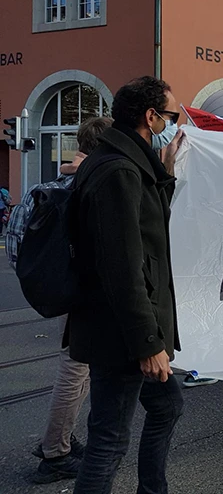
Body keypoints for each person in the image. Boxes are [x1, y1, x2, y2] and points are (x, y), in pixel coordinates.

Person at [69, 77, 184, 494]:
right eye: (171, 117)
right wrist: (148, 344)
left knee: (168, 406)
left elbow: (146, 225)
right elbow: (122, 267)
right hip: (120, 334)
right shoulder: (118, 170)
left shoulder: (125, 162)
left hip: (122, 327)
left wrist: (165, 172)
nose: (174, 125)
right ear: (150, 117)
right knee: (109, 441)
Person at [18, 118, 112, 484]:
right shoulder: (90, 186)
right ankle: (55, 451)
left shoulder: (48, 186)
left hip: (59, 291)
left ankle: (61, 439)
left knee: (80, 367)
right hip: (84, 294)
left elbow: (18, 245)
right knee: (76, 368)